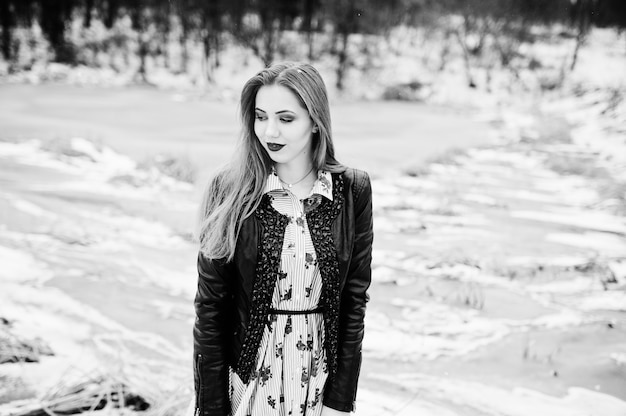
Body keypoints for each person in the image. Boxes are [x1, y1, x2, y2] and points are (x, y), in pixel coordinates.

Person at [193, 62, 373, 416]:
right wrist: (212, 406)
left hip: (319, 379)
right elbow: (210, 309)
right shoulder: (230, 189)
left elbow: (354, 301)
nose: (269, 130)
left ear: (315, 120)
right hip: (249, 379)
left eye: (286, 119)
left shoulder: (353, 189)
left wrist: (340, 400)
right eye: (261, 116)